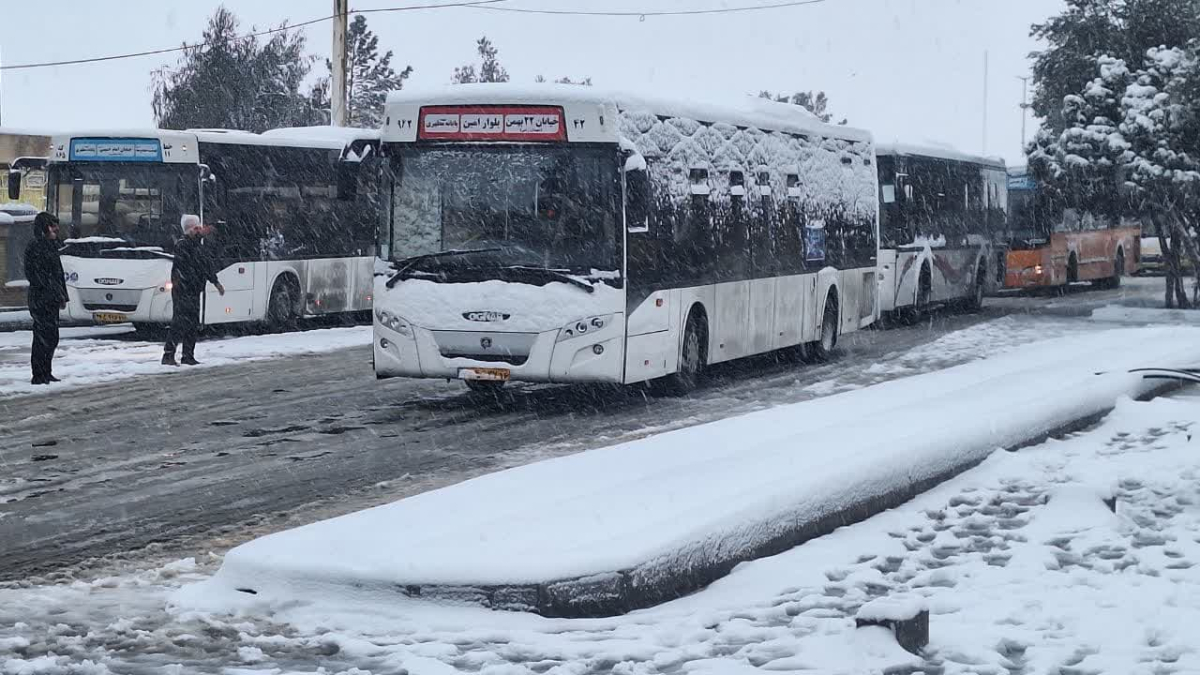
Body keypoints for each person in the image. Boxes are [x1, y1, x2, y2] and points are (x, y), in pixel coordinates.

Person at [163, 214, 224, 366]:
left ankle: (188, 355)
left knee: (192, 324)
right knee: (179, 323)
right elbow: (187, 267)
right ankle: (168, 355)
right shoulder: (183, 245)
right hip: (183, 290)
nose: (199, 230)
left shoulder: (197, 245)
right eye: (196, 228)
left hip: (193, 290)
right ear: (189, 230)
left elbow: (205, 266)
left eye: (199, 227)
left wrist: (215, 282)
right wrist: (186, 282)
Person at [24, 212, 69, 385]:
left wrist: (62, 296)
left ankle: (46, 371)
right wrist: (50, 290)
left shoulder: (51, 246)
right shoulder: (36, 246)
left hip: (51, 298)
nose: (56, 228)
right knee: (42, 337)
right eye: (52, 225)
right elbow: (34, 274)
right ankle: (38, 374)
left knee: (52, 337)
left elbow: (58, 274)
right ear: (45, 227)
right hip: (41, 299)